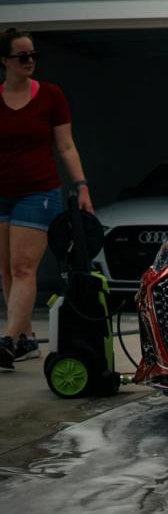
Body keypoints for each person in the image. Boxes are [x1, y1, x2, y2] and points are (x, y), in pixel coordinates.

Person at [0, 28, 92, 370]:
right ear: (4, 61)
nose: (29, 61)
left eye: (33, 55)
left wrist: (81, 186)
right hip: (1, 195)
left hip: (37, 192)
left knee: (24, 267)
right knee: (6, 272)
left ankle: (8, 342)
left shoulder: (51, 96)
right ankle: (24, 341)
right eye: (22, 56)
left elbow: (66, 146)